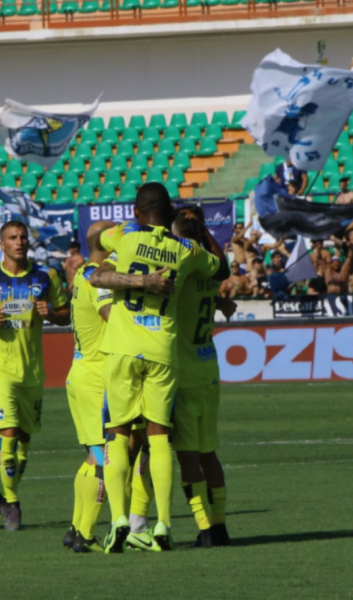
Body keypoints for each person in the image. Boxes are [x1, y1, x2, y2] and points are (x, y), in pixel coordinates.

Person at [90, 183, 229, 553]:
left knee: (118, 434)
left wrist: (122, 269)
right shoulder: (186, 250)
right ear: (169, 213)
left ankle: (121, 519)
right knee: (159, 436)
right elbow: (221, 268)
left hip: (122, 346)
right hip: (165, 350)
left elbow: (96, 245)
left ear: (135, 212)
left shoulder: (123, 236)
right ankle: (164, 525)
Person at [0, 220, 71, 532]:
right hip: (0, 369)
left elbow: (66, 314)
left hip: (32, 371)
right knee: (8, 432)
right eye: (12, 237)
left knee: (24, 438)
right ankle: (12, 504)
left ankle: (4, 497)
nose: (19, 242)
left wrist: (52, 313)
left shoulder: (46, 276)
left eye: (23, 237)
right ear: (2, 244)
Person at [171, 209, 235, 548]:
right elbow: (222, 268)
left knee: (187, 456)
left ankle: (205, 528)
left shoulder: (182, 266)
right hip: (209, 366)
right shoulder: (211, 269)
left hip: (182, 372)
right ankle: (221, 525)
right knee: (209, 453)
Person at [63, 220, 118, 553]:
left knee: (90, 458)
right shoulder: (99, 280)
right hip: (96, 378)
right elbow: (112, 316)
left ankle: (75, 528)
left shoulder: (85, 273)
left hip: (81, 372)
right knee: (103, 459)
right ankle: (86, 535)